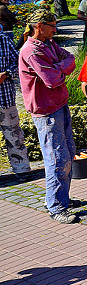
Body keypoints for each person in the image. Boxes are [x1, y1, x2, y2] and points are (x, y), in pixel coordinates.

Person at [18, 9, 78, 224]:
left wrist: (59, 67)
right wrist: (61, 69)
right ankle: (56, 207)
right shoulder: (31, 51)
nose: (55, 29)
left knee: (68, 152)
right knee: (57, 158)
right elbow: (51, 80)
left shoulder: (48, 44)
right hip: (46, 111)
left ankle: (60, 198)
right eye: (52, 25)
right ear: (38, 26)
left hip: (59, 104)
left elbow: (70, 59)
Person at [0, 30, 29, 183]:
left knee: (14, 135)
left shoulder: (4, 41)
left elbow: (18, 64)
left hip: (5, 98)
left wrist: (5, 74)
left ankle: (21, 169)